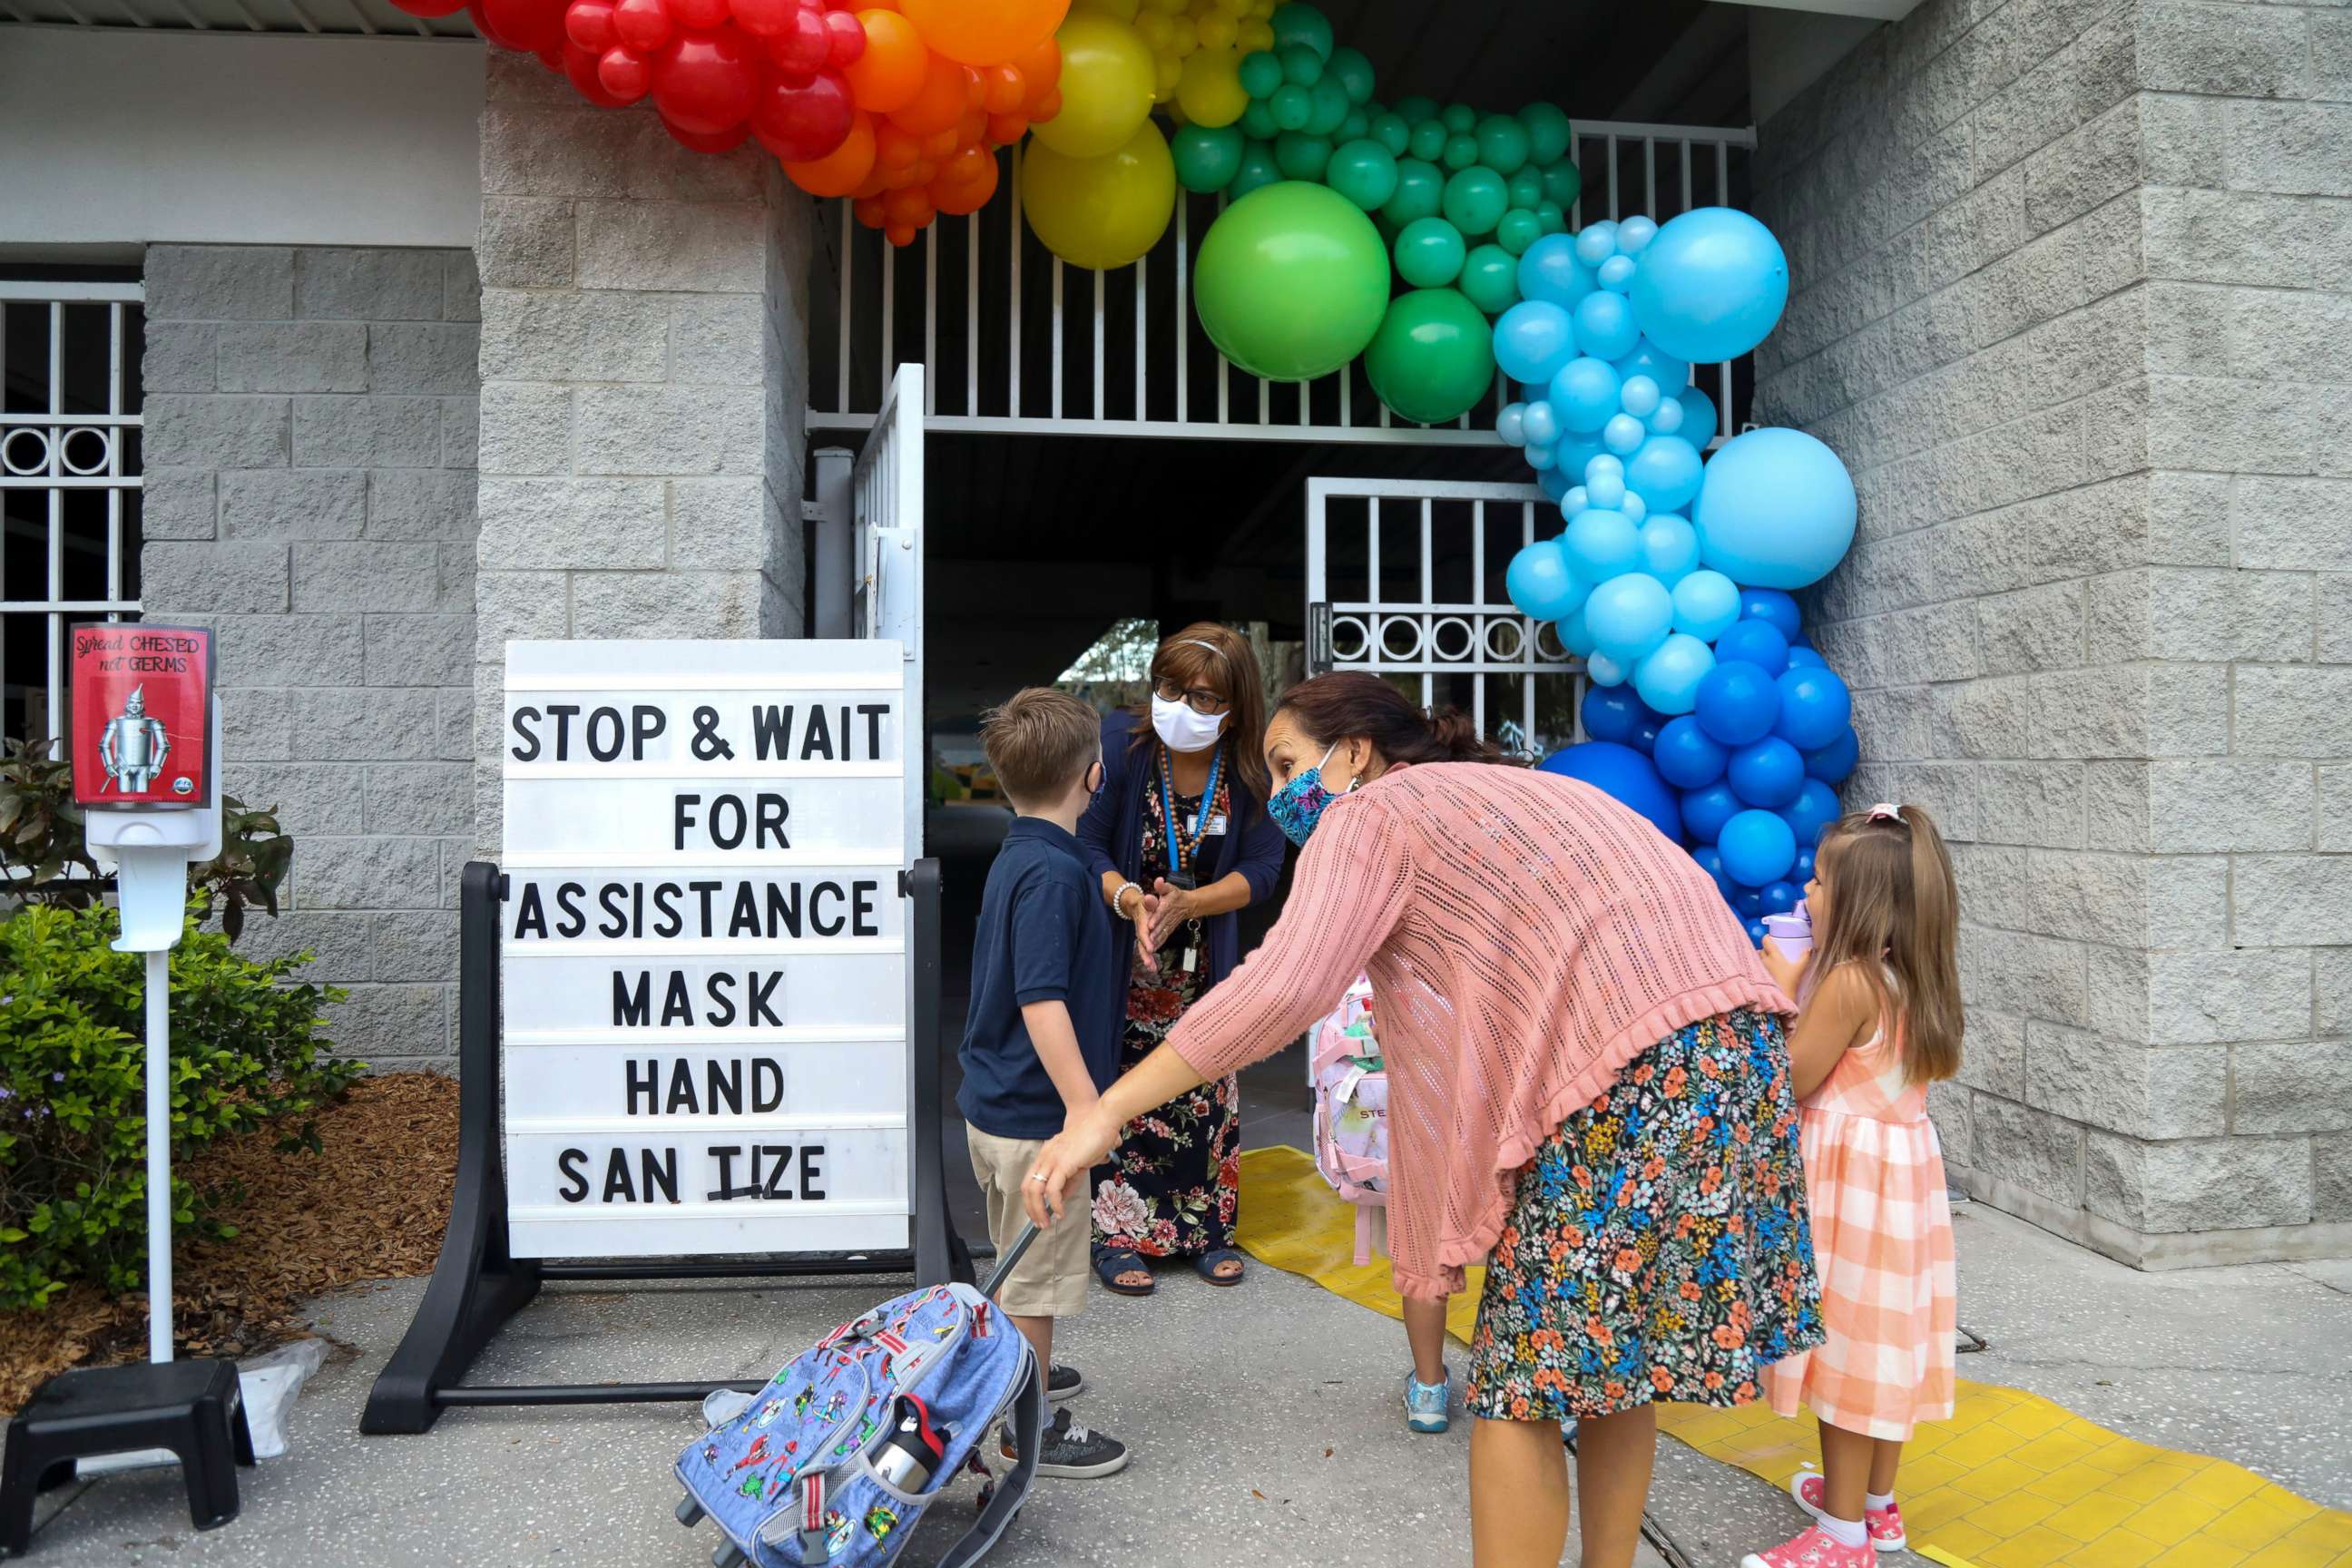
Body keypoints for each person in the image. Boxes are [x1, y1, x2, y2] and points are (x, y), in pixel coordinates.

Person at [1022, 672, 1823, 1568]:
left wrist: (1107, 1111)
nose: (1283, 795)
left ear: (1356, 752)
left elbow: (1285, 986)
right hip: (1736, 1059)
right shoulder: (1508, 792)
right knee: (1611, 1365)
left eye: (1288, 766)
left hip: (1633, 1076)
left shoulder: (1376, 811)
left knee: (1520, 1386)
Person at [1745, 804, 1963, 1568]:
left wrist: (1781, 987)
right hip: (1899, 1192)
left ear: (1861, 900)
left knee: (1842, 1357)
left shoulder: (1846, 981)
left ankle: (1840, 1540)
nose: (1807, 891)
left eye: (1821, 879)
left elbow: (1793, 1079)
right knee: (1883, 1348)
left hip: (1849, 1193)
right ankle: (1878, 1509)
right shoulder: (1917, 976)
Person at [1076, 624, 1285, 1295]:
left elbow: (1264, 869)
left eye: (1201, 697)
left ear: (1233, 704)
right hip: (1126, 963)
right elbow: (1087, 846)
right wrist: (1131, 899)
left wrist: (1196, 905)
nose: (1179, 707)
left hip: (1201, 970)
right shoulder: (1121, 746)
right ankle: (1117, 1235)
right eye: (1168, 688)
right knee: (1122, 1093)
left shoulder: (1252, 764)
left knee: (1204, 1092)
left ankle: (1207, 1231)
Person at [955, 688, 1130, 1479]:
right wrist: (1084, 1109)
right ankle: (1027, 1430)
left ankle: (1021, 1361)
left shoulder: (1021, 855)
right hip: (1038, 1124)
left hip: (995, 1105)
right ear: (1094, 779)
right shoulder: (1057, 875)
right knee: (1034, 1279)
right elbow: (1041, 997)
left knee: (1015, 1257)